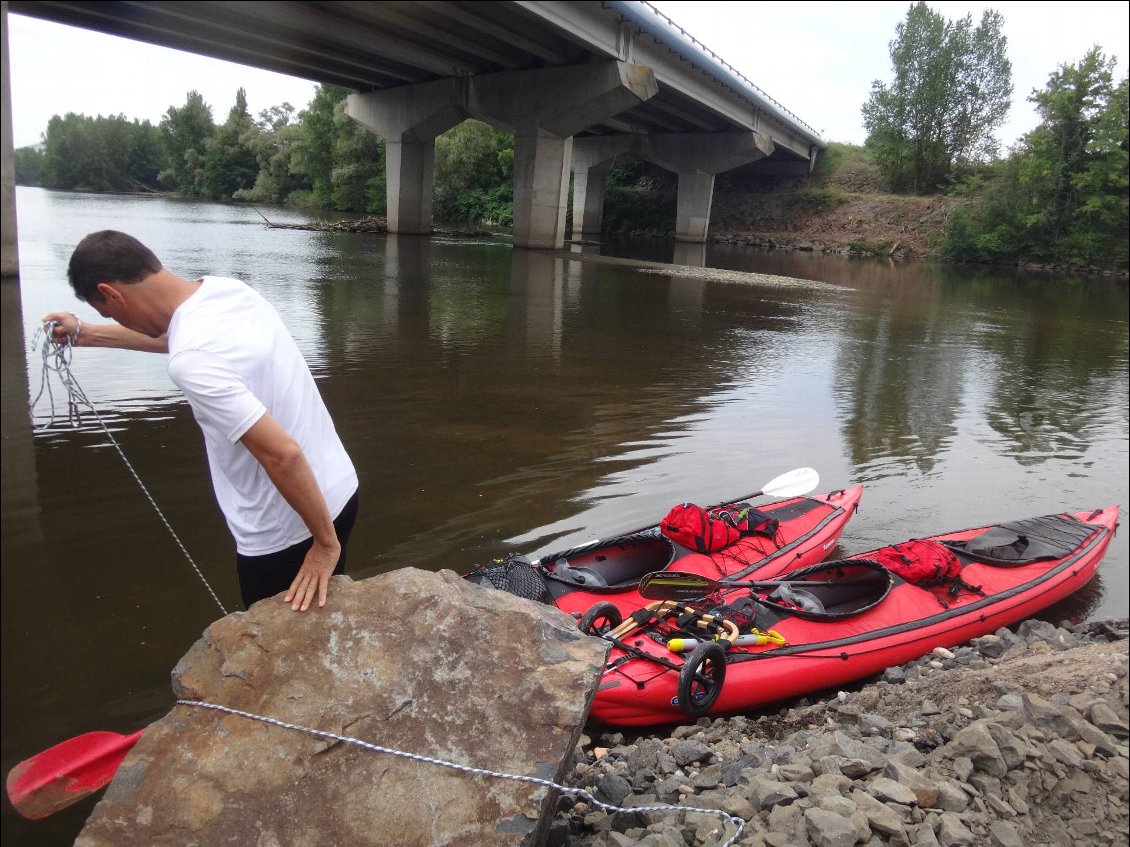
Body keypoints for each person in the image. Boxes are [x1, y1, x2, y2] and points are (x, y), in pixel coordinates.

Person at [43, 230, 359, 613]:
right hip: (336, 490)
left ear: (111, 294)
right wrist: (87, 334)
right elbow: (176, 337)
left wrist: (323, 545)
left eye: (108, 312)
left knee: (283, 652)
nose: (114, 318)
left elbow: (283, 456)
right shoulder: (225, 291)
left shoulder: (191, 360)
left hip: (288, 531)